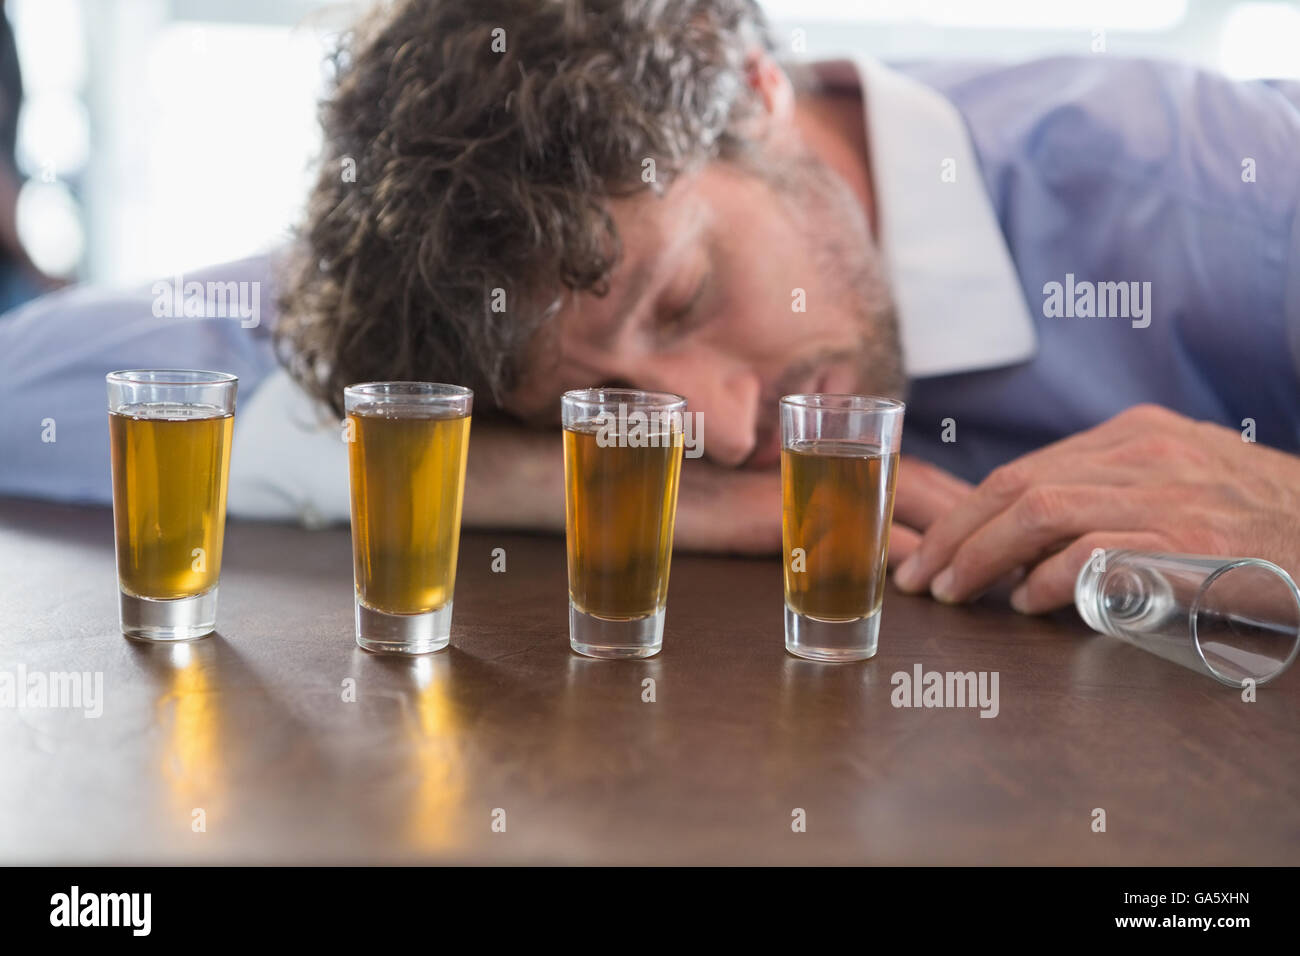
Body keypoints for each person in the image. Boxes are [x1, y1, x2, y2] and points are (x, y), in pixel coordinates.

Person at [2, 0, 1300, 615]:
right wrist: (512, 473)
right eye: (602, 404)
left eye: (688, 293)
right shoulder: (497, 265)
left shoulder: (1222, 197)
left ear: (755, 88)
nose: (727, 431)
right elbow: (28, 391)